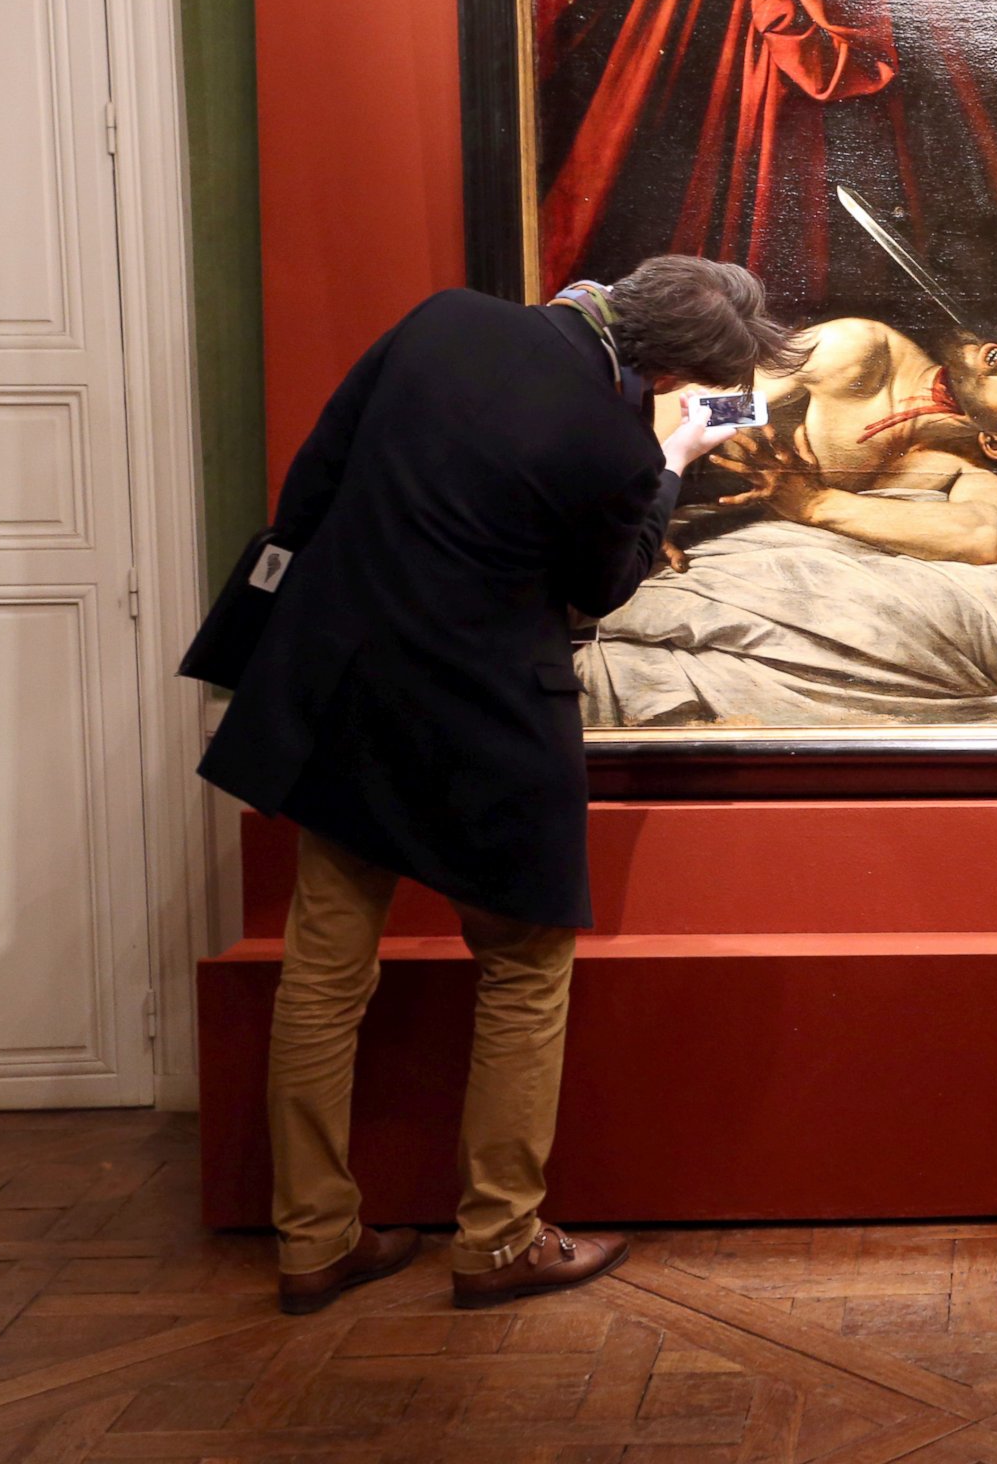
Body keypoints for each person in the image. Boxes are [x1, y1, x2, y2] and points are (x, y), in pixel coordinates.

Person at [194, 256, 796, 1315]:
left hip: (343, 690)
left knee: (324, 974)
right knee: (523, 972)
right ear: (671, 370)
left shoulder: (443, 320)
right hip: (485, 726)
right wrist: (670, 462)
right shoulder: (616, 443)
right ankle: (499, 1239)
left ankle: (313, 1242)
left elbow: (315, 479)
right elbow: (600, 588)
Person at [576, 317, 997, 727]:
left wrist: (815, 506)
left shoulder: (964, 465)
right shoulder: (857, 360)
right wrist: (631, 516)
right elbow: (694, 413)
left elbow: (984, 537)